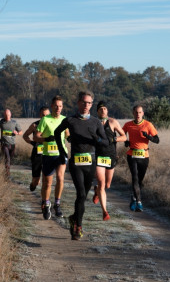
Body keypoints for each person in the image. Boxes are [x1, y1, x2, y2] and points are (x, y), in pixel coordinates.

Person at [55, 91, 109, 240]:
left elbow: (105, 143)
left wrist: (96, 138)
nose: (86, 105)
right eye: (84, 102)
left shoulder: (96, 122)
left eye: (89, 103)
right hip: (76, 163)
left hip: (90, 163)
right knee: (81, 194)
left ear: (92, 104)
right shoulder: (70, 120)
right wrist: (62, 151)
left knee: (83, 197)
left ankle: (74, 218)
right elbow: (56, 132)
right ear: (78, 103)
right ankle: (78, 227)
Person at [34, 95, 69, 220]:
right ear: (52, 106)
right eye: (56, 106)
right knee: (47, 183)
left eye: (60, 106)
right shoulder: (45, 119)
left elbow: (68, 136)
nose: (58, 108)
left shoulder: (65, 120)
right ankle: (46, 202)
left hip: (61, 154)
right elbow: (36, 137)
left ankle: (57, 204)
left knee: (60, 178)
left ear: (62, 107)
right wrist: (46, 139)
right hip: (48, 155)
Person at [92, 101, 126, 221]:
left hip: (111, 156)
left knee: (107, 185)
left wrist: (114, 138)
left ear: (107, 110)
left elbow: (124, 136)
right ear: (97, 111)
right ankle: (105, 211)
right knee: (102, 184)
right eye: (100, 109)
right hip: (98, 157)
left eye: (105, 109)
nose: (103, 111)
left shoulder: (113, 122)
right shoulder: (93, 123)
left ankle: (96, 191)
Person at [122, 105, 159, 212]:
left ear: (143, 113)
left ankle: (133, 198)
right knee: (134, 178)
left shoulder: (148, 124)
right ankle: (139, 202)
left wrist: (148, 136)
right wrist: (126, 142)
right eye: (136, 112)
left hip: (144, 156)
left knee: (140, 180)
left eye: (140, 112)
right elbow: (121, 135)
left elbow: (157, 140)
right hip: (132, 154)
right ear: (133, 113)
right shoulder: (128, 125)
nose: (138, 115)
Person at [23, 106, 50, 192]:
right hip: (37, 154)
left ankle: (44, 200)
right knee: (36, 181)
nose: (45, 117)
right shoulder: (35, 125)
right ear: (40, 115)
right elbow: (25, 136)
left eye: (47, 115)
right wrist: (32, 142)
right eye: (43, 115)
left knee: (46, 180)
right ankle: (33, 184)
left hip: (49, 154)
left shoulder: (52, 125)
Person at [0, 109, 23, 176]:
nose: (7, 116)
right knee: (7, 158)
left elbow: (21, 132)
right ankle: (7, 174)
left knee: (10, 159)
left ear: (10, 115)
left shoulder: (14, 122)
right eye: (5, 115)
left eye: (8, 115)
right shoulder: (1, 122)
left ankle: (7, 170)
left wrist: (17, 133)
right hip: (4, 144)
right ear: (4, 115)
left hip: (12, 144)